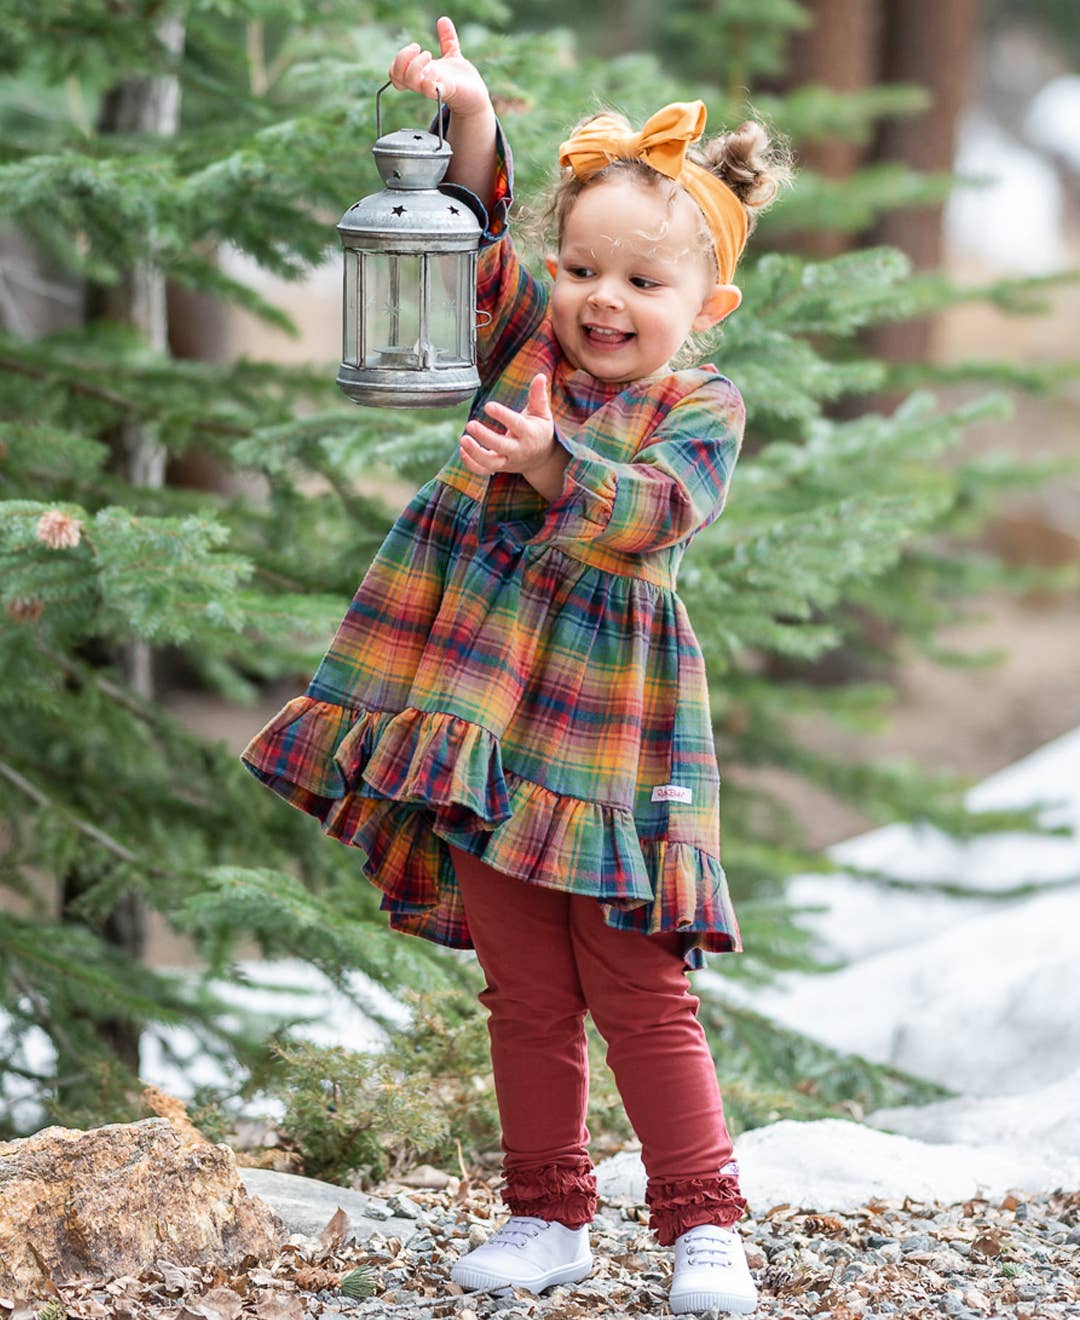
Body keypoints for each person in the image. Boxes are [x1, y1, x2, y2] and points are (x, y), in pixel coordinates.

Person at [241, 15, 789, 1315]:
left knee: (636, 979)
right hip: (480, 710)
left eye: (643, 286)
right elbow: (468, 249)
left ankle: (702, 1223)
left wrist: (548, 467)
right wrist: (471, 115)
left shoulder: (699, 410)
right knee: (525, 984)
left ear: (704, 307)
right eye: (584, 269)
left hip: (611, 728)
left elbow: (654, 510)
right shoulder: (527, 345)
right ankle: (548, 1213)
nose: (605, 300)